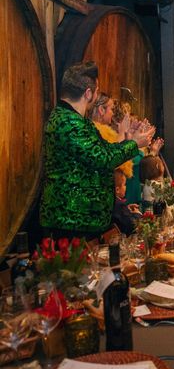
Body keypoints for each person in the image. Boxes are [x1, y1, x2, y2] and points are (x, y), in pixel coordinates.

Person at [40, 61, 154, 240]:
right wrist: (134, 145)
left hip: (80, 218)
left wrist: (129, 139)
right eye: (97, 90)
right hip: (71, 218)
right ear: (88, 93)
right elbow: (103, 158)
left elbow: (103, 149)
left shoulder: (77, 120)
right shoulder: (68, 122)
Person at [111, 169, 142, 236]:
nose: (126, 187)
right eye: (124, 185)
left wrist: (127, 209)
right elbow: (131, 226)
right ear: (117, 190)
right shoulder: (119, 205)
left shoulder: (112, 202)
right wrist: (137, 214)